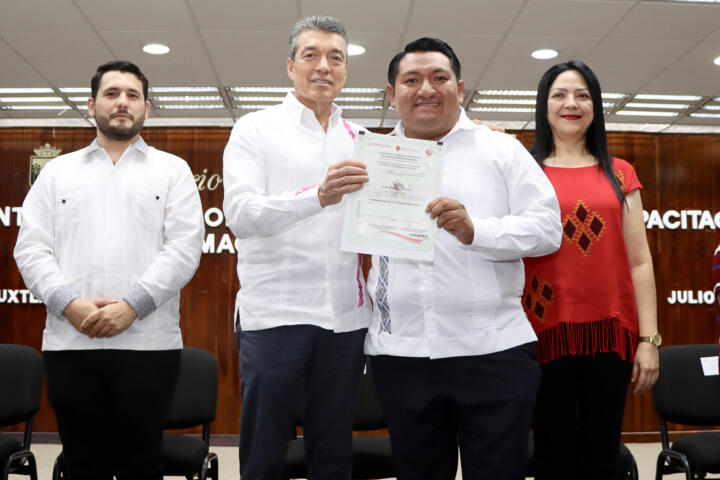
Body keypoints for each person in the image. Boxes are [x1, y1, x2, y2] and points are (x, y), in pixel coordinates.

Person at [364, 37, 562, 480]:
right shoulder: (369, 160)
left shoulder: (501, 150)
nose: (426, 89)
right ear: (392, 94)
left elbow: (549, 230)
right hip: (402, 354)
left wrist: (478, 231)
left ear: (461, 87)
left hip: (492, 351)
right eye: (411, 80)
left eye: (439, 78)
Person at [13, 60, 204, 479]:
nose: (122, 103)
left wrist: (132, 306)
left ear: (147, 109)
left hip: (149, 345)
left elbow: (185, 249)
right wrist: (70, 304)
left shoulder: (172, 170)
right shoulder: (56, 172)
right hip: (71, 343)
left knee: (141, 464)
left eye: (132, 96)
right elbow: (30, 248)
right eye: (112, 94)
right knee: (82, 464)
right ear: (91, 104)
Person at [222, 15, 370, 479]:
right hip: (275, 317)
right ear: (290, 66)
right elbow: (241, 215)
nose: (323, 66)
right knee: (266, 454)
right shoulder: (255, 130)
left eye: (336, 57)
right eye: (311, 55)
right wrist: (317, 197)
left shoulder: (363, 140)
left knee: (333, 455)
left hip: (345, 320)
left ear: (345, 71)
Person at [522, 60, 659, 480]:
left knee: (603, 455)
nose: (571, 104)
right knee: (550, 453)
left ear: (595, 106)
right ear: (544, 106)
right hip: (540, 331)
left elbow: (640, 260)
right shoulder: (525, 170)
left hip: (609, 333)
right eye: (559, 94)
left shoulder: (620, 173)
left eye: (582, 95)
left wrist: (649, 340)